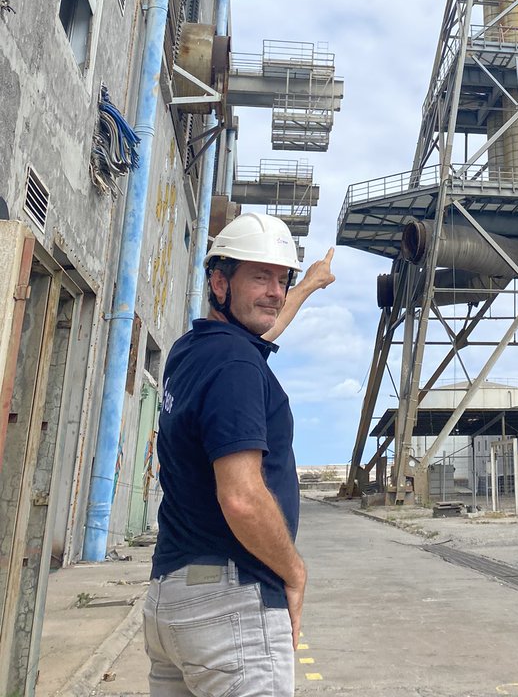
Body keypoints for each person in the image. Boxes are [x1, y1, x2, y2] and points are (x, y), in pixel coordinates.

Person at [143, 212, 336, 696]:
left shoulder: (193, 351)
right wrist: (294, 572)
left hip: (171, 600)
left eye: (281, 277)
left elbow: (263, 328)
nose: (275, 290)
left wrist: (308, 284)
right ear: (219, 281)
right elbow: (243, 498)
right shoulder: (235, 365)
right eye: (260, 276)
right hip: (230, 606)